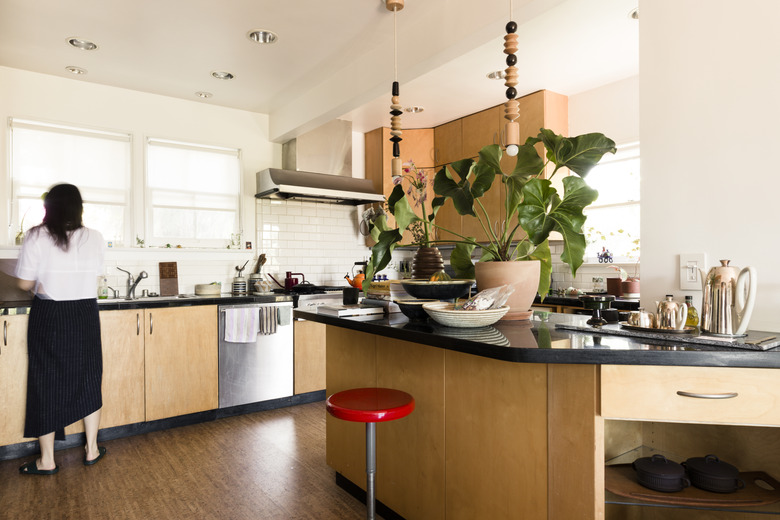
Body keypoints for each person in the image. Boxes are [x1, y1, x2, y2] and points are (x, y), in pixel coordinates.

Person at [15, 184, 107, 475]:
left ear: (49, 208)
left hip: (51, 313)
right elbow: (97, 275)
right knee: (90, 377)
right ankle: (92, 450)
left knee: (46, 383)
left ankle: (47, 460)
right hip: (85, 313)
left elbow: (24, 284)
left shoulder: (36, 236)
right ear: (78, 207)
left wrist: (41, 281)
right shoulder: (95, 237)